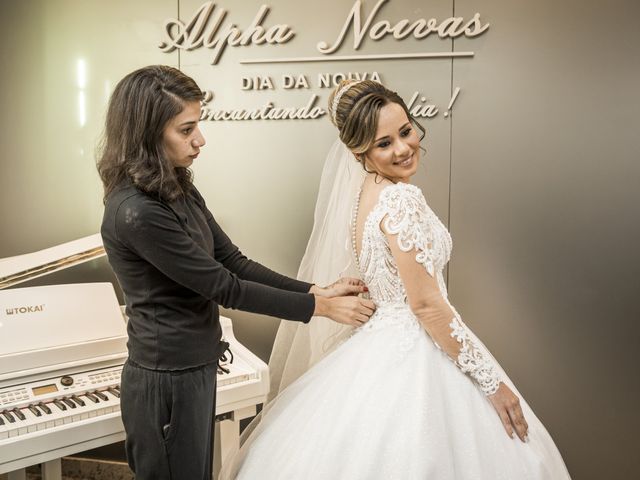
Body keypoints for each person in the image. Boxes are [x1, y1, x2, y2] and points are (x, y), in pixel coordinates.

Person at [221, 80, 571, 479]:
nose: (403, 148)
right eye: (383, 143)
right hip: (416, 346)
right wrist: (492, 384)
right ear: (360, 152)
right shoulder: (401, 199)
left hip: (378, 343)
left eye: (405, 131)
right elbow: (424, 305)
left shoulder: (364, 193)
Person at [97, 65, 375, 480]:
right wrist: (321, 307)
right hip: (165, 380)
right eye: (186, 129)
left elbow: (234, 261)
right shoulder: (136, 211)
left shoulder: (176, 186)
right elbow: (224, 287)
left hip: (195, 367)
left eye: (198, 125)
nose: (200, 140)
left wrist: (317, 288)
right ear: (147, 134)